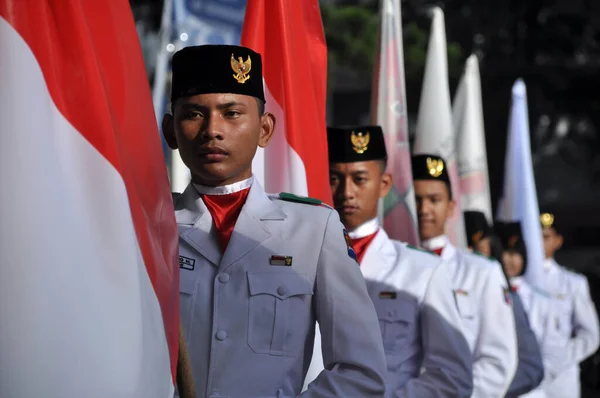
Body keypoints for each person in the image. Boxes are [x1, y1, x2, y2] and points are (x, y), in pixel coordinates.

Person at [164, 44, 387, 397]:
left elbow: (361, 372)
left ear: (265, 129)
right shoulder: (152, 227)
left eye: (232, 113)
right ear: (171, 131)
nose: (212, 130)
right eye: (194, 113)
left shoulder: (313, 231)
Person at [304, 126, 473, 397]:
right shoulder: (299, 257)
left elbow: (452, 377)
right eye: (335, 178)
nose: (347, 192)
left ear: (384, 184)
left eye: (359, 179)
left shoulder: (422, 271)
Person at [412, 153, 518, 396]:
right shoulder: (393, 269)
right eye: (417, 200)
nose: (424, 209)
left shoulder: (482, 272)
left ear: (451, 207)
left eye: (434, 200)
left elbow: (497, 362)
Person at [539, 212, 600, 398]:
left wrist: (557, 360)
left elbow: (590, 335)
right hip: (527, 379)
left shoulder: (572, 282)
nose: (540, 242)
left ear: (558, 241)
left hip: (561, 380)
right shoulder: (518, 281)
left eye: (546, 237)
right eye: (536, 236)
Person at [492, 221, 548, 397]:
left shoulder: (541, 300)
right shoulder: (493, 295)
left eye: (515, 253)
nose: (508, 260)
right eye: (504, 253)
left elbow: (551, 350)